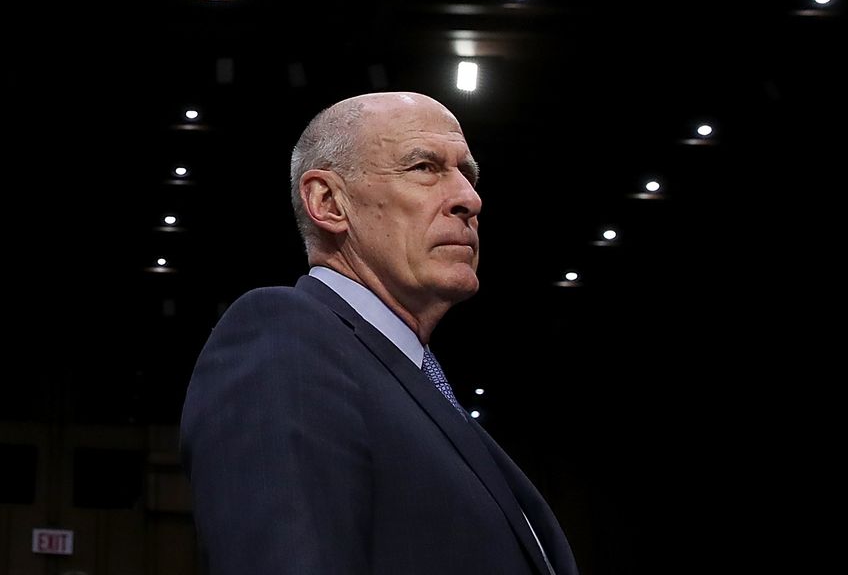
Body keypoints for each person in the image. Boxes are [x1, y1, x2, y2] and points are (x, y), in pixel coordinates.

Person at [179, 91, 578, 574]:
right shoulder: (283, 336)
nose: (470, 199)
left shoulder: (415, 382)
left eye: (467, 175)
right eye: (424, 167)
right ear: (328, 202)